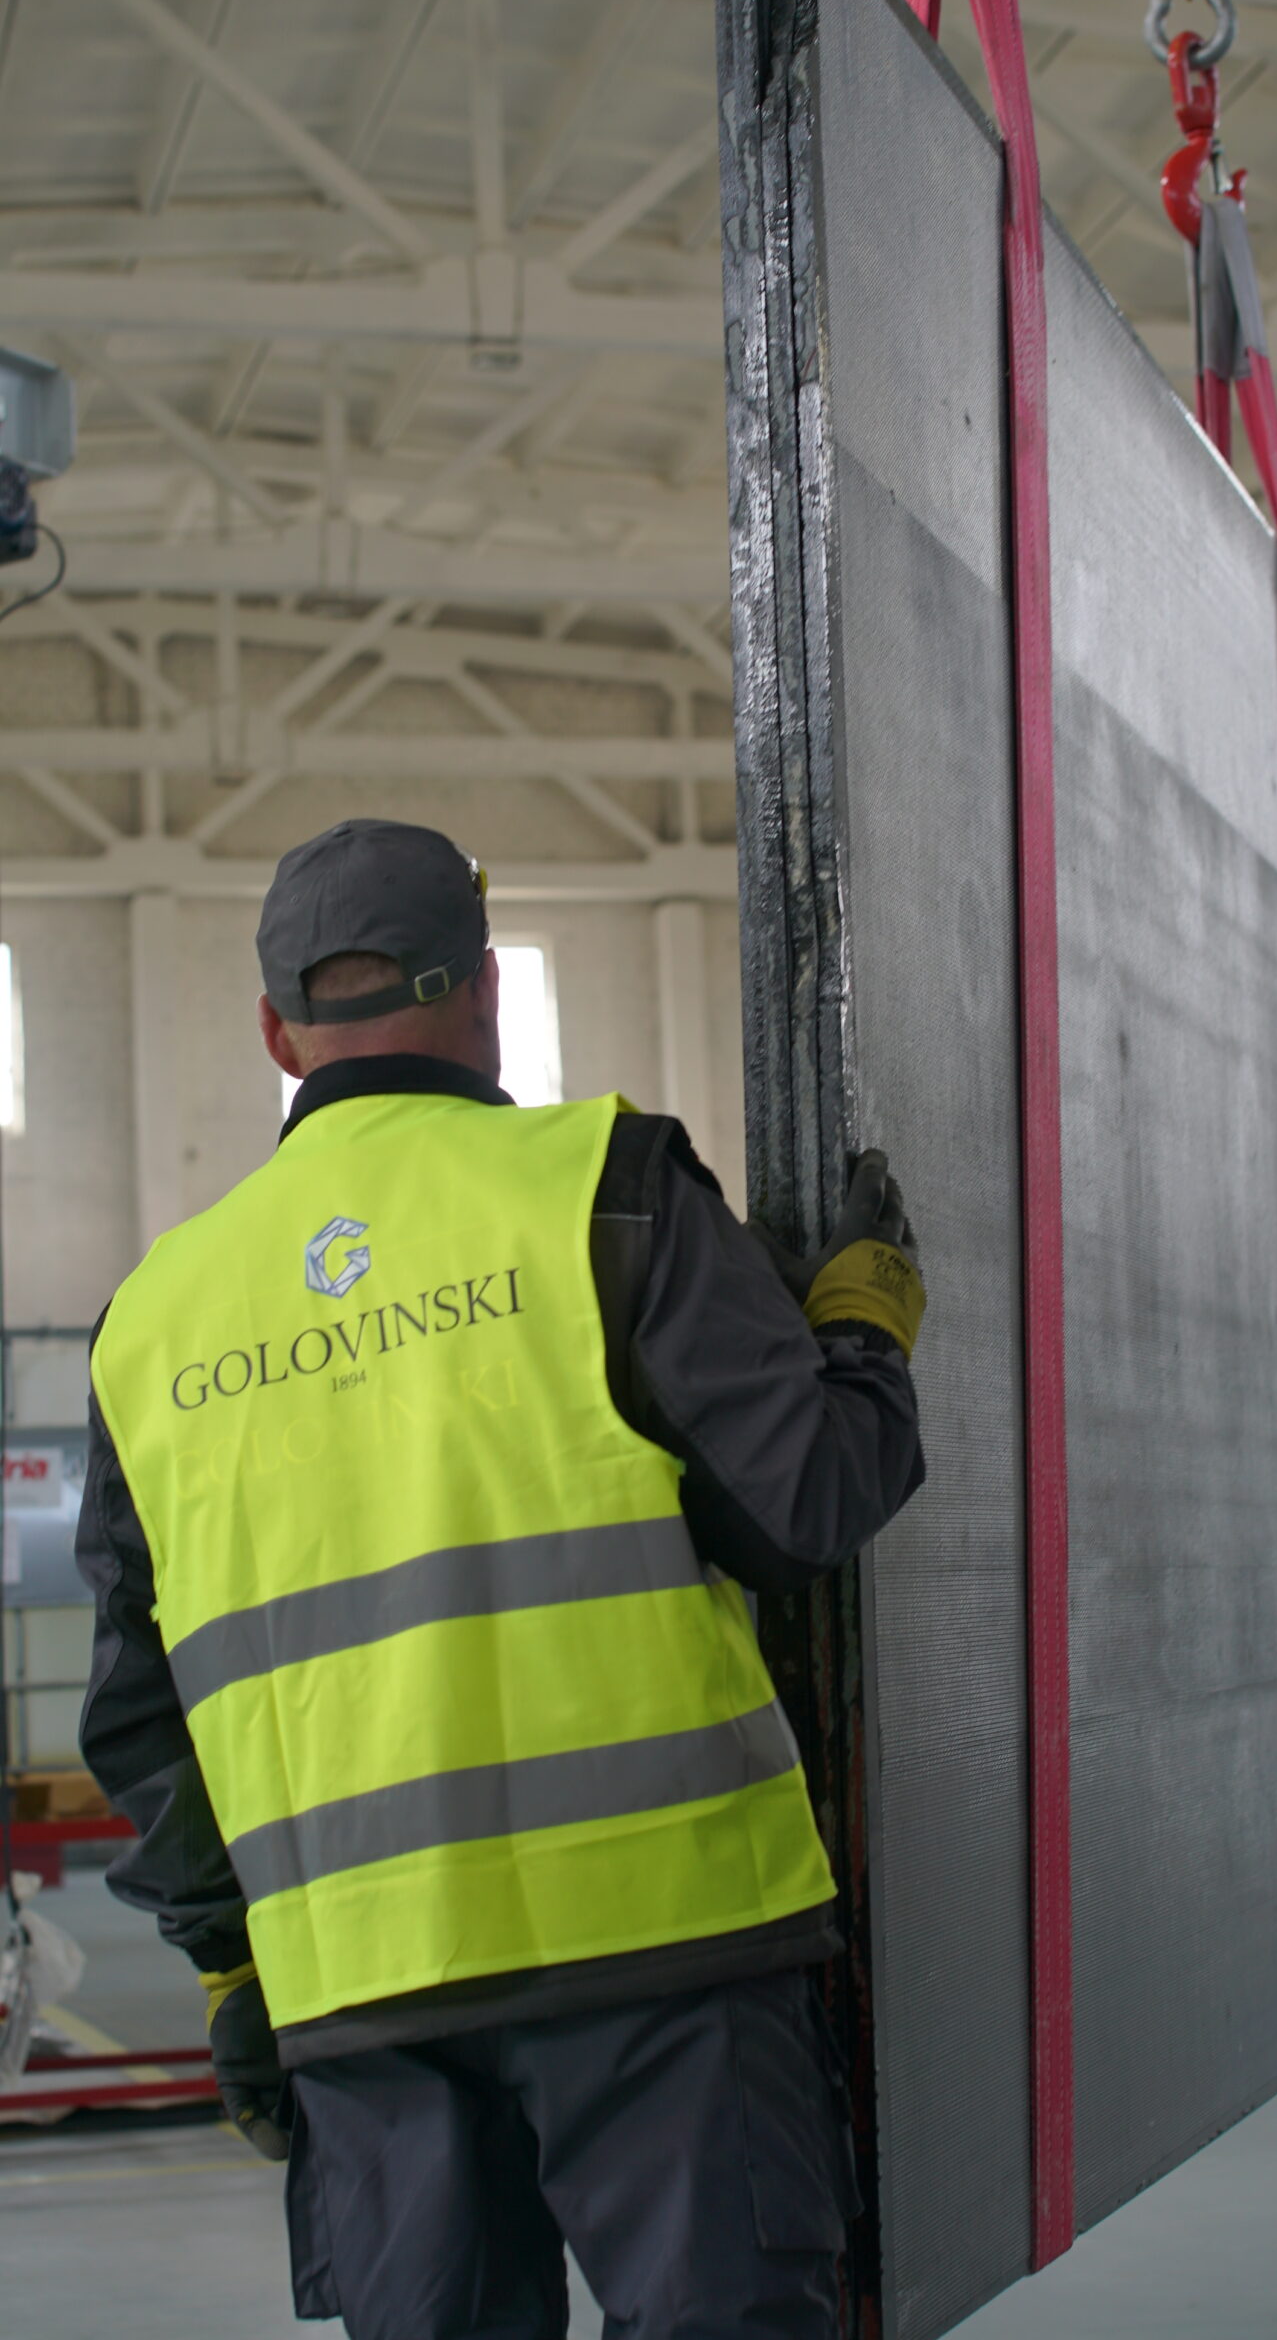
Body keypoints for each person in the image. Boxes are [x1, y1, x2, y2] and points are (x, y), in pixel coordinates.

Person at [75, 816, 927, 2340]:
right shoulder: (604, 1189)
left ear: (277, 1034)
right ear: (479, 991)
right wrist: (861, 1336)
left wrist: (230, 1973)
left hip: (360, 1997)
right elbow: (800, 1505)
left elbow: (142, 1714)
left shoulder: (151, 1326)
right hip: (663, 1957)